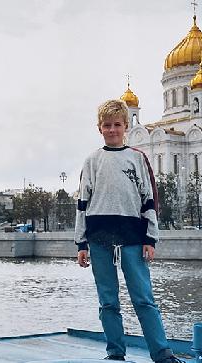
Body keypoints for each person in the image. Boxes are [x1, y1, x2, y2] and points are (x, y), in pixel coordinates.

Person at [75, 99, 183, 363]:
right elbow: (82, 204)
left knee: (143, 298)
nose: (112, 130)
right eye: (107, 125)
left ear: (126, 126)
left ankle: (162, 353)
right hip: (99, 238)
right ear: (99, 128)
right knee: (108, 301)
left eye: (117, 125)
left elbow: (149, 200)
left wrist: (151, 238)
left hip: (133, 238)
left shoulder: (137, 158)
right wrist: (81, 243)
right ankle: (115, 353)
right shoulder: (92, 161)